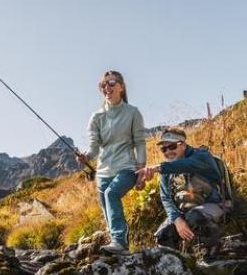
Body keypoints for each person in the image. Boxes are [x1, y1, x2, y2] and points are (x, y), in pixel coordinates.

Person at [74, 70, 147, 255]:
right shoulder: (96, 117)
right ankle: (117, 244)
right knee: (106, 205)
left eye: (112, 83)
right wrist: (85, 157)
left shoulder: (133, 113)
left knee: (111, 193)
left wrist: (141, 171)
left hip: (127, 167)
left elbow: (140, 143)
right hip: (103, 171)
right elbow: (94, 148)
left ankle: (119, 242)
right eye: (103, 84)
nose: (107, 87)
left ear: (121, 87)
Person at [136, 128, 229, 253]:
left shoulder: (202, 156)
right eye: (164, 149)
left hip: (216, 206)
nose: (168, 152)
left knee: (195, 217)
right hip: (185, 212)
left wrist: (157, 168)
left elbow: (186, 164)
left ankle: (213, 255)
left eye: (172, 147)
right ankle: (177, 261)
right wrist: (177, 219)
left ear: (183, 145)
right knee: (163, 234)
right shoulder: (166, 169)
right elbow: (166, 198)